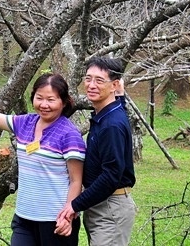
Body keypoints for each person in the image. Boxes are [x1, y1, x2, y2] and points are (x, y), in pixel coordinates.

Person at [0, 64, 86, 246]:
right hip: (24, 217)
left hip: (55, 220)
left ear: (64, 102)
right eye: (39, 98)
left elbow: (76, 181)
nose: (44, 104)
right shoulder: (25, 123)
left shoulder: (69, 135)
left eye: (51, 99)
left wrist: (68, 214)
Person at [57, 57, 136, 246]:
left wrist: (75, 205)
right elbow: (120, 105)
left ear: (114, 85)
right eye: (88, 79)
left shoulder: (112, 125)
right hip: (101, 204)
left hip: (111, 207)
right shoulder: (110, 111)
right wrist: (120, 95)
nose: (91, 85)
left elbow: (111, 175)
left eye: (99, 81)